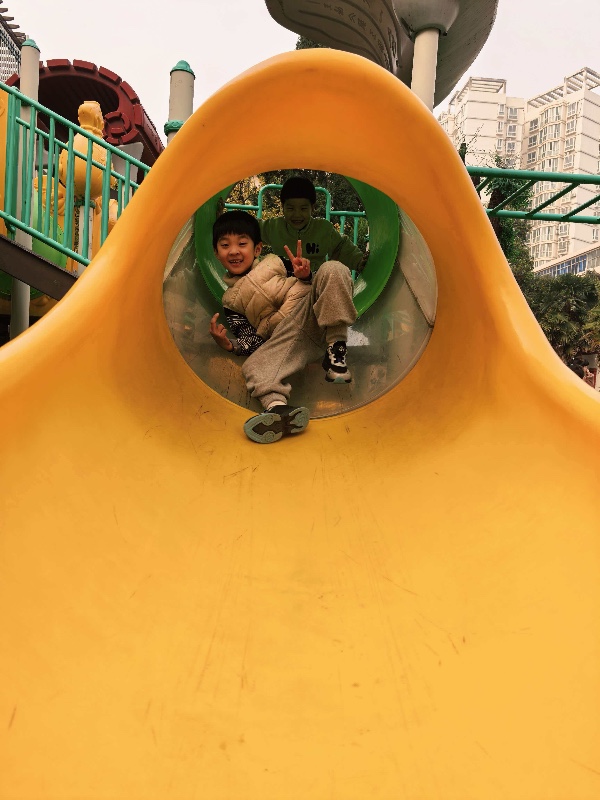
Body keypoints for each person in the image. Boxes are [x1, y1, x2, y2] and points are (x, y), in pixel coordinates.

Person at [209, 210, 357, 444]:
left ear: (257, 249)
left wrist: (305, 276)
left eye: (242, 243)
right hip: (285, 337)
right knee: (253, 366)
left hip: (313, 314)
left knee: (333, 269)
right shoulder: (230, 302)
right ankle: (279, 410)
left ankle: (336, 348)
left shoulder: (276, 262)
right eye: (225, 245)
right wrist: (231, 345)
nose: (234, 251)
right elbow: (252, 340)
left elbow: (319, 287)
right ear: (216, 253)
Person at [260, 175, 367, 276]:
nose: (297, 214)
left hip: (313, 281)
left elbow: (341, 247)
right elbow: (252, 229)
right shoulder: (274, 227)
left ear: (312, 208)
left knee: (334, 268)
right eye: (290, 208)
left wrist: (359, 261)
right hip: (283, 282)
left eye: (303, 209)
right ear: (282, 207)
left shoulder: (323, 229)